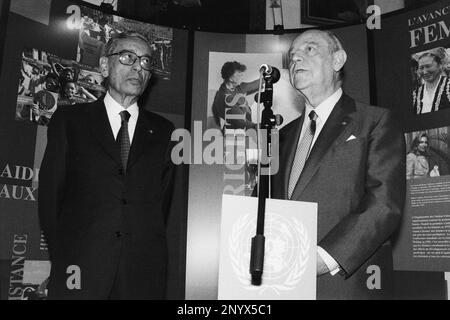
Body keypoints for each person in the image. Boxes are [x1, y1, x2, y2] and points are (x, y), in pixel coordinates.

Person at [38, 31, 175, 299]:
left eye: (146, 62)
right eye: (128, 57)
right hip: (78, 271)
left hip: (141, 276)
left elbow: (163, 204)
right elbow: (50, 199)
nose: (138, 67)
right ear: (104, 66)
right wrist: (67, 256)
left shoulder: (164, 132)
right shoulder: (70, 122)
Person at [271, 30, 405, 299]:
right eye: (292, 55)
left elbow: (384, 203)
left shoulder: (374, 121)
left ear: (337, 60)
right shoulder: (282, 135)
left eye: (309, 49)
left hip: (344, 284)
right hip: (282, 285)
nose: (296, 57)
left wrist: (324, 258)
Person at [211, 61, 259, 130]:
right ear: (230, 78)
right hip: (234, 134)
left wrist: (268, 77)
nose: (242, 77)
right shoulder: (225, 98)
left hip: (245, 130)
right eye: (239, 75)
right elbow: (240, 122)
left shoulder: (237, 87)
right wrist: (256, 126)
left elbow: (254, 84)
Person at [413, 48, 450, 114]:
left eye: (428, 66)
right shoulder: (415, 94)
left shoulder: (448, 86)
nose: (424, 72)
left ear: (440, 65)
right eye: (421, 68)